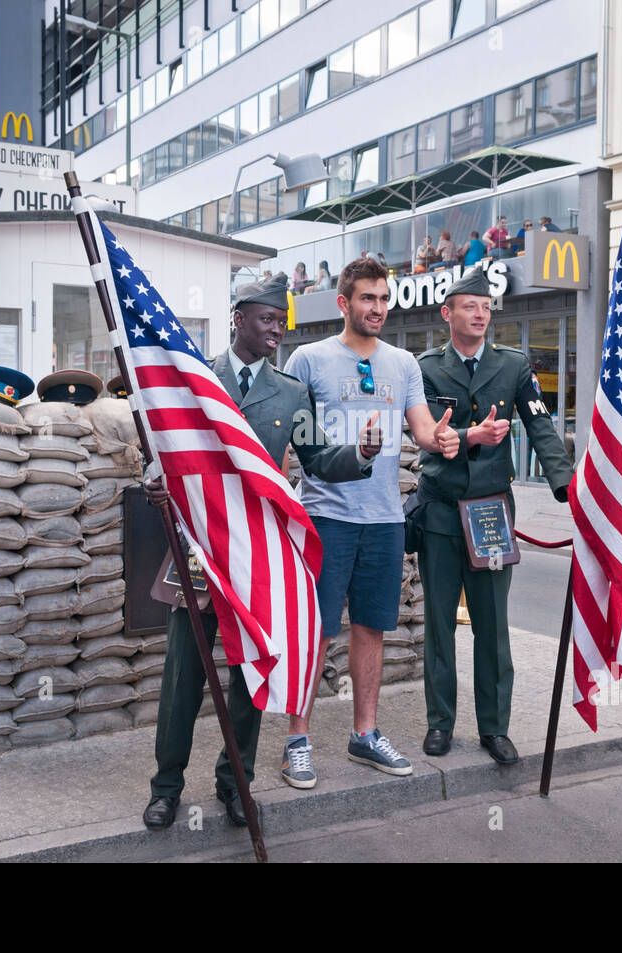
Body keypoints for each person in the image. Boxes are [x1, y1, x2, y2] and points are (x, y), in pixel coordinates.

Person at [141, 274, 375, 831]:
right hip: (198, 550)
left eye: (281, 322)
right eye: (267, 320)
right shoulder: (193, 378)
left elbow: (318, 458)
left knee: (250, 675)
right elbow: (162, 450)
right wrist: (155, 483)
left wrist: (360, 454)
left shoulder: (292, 392)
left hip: (256, 553)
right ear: (238, 318)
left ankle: (234, 783)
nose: (277, 331)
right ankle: (165, 788)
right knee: (183, 675)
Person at [280, 256, 459, 788]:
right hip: (325, 517)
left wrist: (446, 439)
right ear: (344, 303)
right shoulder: (308, 360)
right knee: (315, 631)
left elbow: (423, 430)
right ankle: (297, 739)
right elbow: (297, 442)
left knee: (372, 627)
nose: (378, 308)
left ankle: (365, 733)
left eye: (384, 299)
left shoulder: (403, 364)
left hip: (383, 518)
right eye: (367, 299)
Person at [413, 267, 574, 765]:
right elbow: (425, 435)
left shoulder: (512, 366)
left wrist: (565, 484)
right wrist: (468, 436)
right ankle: (440, 723)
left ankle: (494, 727)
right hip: (440, 513)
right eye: (469, 306)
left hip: (490, 514)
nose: (480, 314)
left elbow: (541, 425)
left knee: (493, 626)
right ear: (448, 314)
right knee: (440, 624)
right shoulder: (425, 368)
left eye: (486, 307)